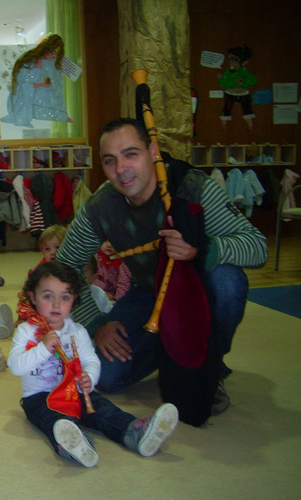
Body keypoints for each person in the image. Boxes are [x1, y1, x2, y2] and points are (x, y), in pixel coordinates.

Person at [55, 117, 267, 421]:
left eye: (131, 154)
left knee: (228, 281)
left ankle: (210, 365)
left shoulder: (194, 188)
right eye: (110, 160)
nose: (122, 169)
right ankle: (172, 348)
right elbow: (65, 265)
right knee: (108, 376)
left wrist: (203, 249)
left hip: (198, 289)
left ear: (152, 150)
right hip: (148, 293)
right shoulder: (102, 206)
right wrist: (95, 322)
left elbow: (257, 245)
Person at [8, 261, 178, 467]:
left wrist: (90, 376)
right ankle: (75, 445)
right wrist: (42, 348)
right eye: (47, 296)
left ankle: (134, 432)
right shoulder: (26, 331)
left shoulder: (77, 331)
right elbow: (16, 366)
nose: (56, 304)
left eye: (64, 297)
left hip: (75, 391)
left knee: (103, 408)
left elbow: (91, 360)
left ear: (74, 300)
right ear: (33, 297)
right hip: (39, 396)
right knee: (54, 419)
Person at [1, 34, 71, 127]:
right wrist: (40, 81)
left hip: (48, 109)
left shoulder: (53, 65)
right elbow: (24, 83)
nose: (52, 57)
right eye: (51, 53)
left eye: (55, 55)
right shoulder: (31, 61)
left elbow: (57, 87)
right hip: (33, 106)